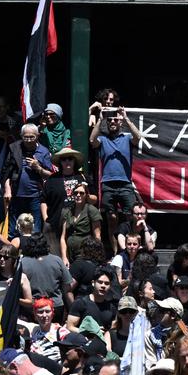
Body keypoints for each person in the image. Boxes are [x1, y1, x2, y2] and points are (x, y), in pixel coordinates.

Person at [89, 107, 144, 247]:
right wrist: (101, 118)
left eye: (115, 119)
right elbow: (92, 139)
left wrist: (125, 118)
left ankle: (130, 249)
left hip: (125, 184)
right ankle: (115, 252)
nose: (112, 121)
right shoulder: (103, 139)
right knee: (111, 218)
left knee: (130, 217)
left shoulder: (126, 138)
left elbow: (138, 137)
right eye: (110, 120)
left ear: (120, 123)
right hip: (108, 184)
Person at [2, 124, 53, 239]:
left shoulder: (43, 151)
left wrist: (38, 167)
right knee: (13, 229)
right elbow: (6, 172)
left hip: (35, 195)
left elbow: (51, 175)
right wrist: (7, 190)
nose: (29, 140)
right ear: (21, 136)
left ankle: (34, 251)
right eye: (26, 137)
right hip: (16, 195)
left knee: (35, 229)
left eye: (32, 137)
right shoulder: (15, 148)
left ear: (38, 136)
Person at [60, 183, 102, 264]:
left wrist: (95, 257)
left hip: (86, 254)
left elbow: (97, 236)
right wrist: (64, 257)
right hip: (70, 254)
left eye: (81, 193)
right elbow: (63, 237)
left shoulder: (91, 210)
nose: (78, 195)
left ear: (86, 195)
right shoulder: (67, 211)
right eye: (76, 193)